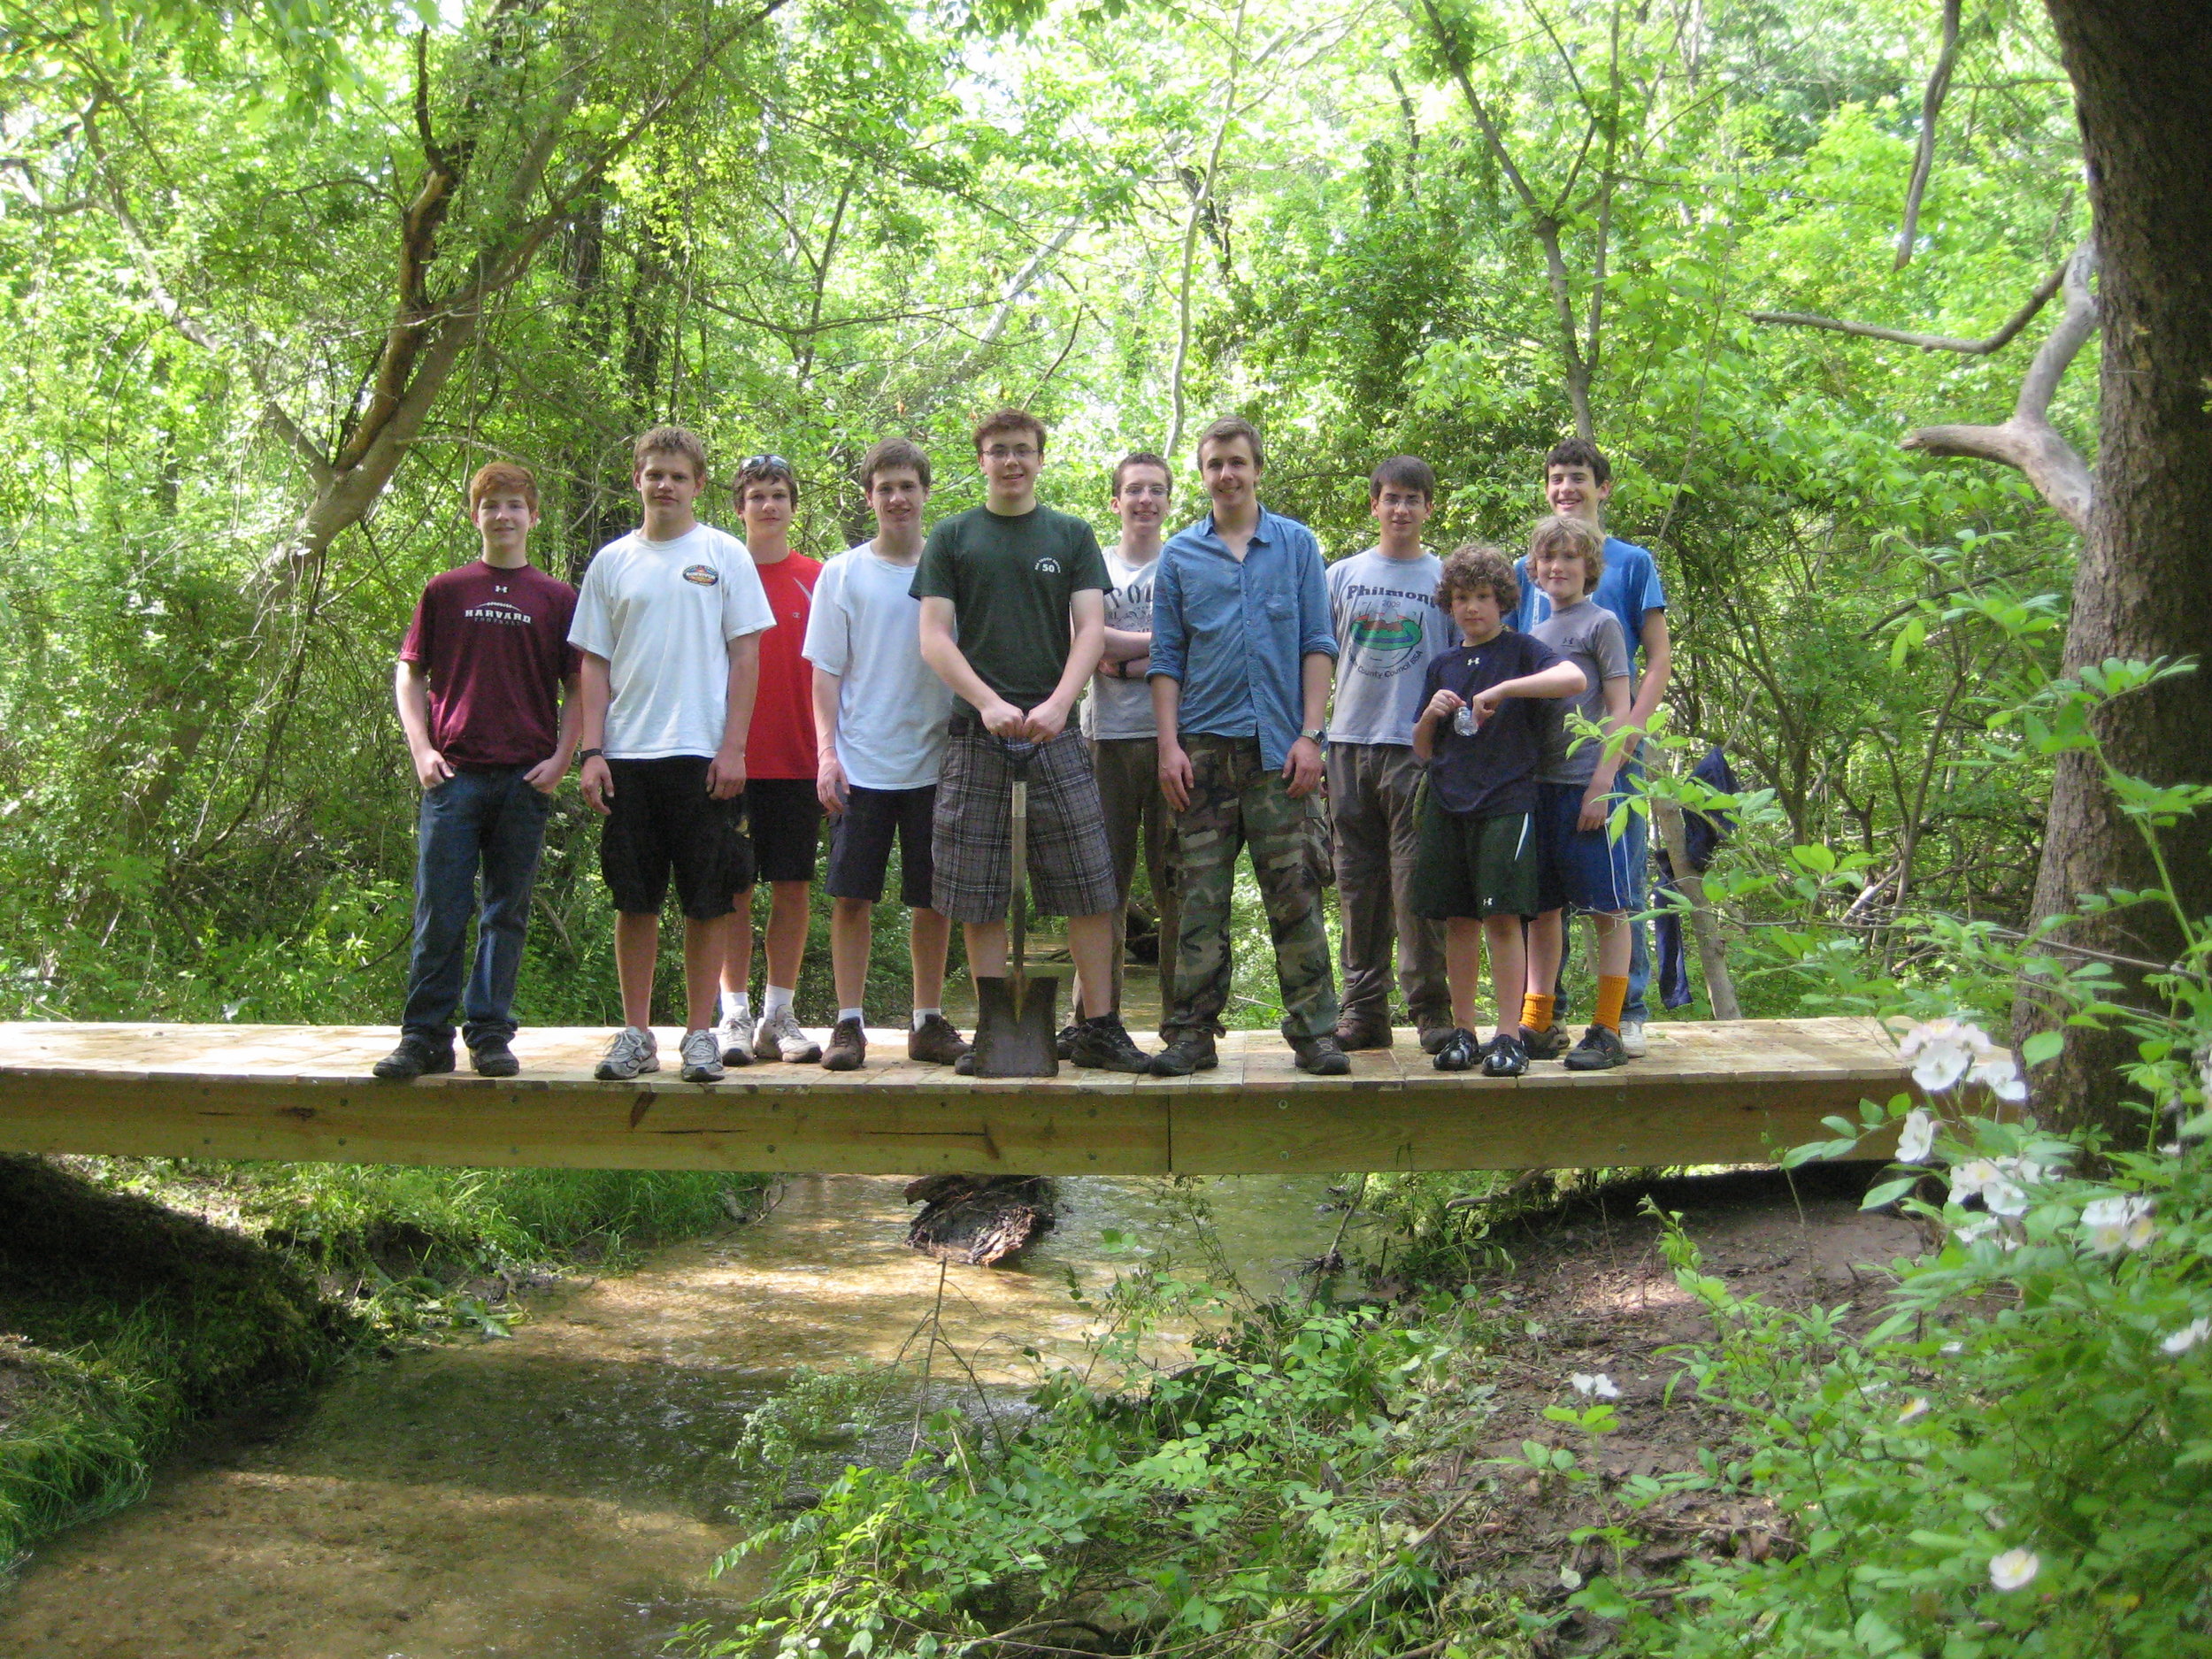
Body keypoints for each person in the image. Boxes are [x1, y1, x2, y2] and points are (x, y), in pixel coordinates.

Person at [913, 408, 1153, 1073]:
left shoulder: (1071, 535)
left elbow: (1092, 630)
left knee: (1088, 879)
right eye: (998, 450)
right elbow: (934, 636)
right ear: (982, 459)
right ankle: (996, 1029)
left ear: (1040, 458)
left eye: (1023, 449)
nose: (1012, 460)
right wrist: (988, 702)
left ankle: (1100, 1024)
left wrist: (1057, 704)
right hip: (975, 735)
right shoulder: (953, 538)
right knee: (976, 887)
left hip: (1057, 735)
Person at [570, 426, 775, 1083]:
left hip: (703, 754)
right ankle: (635, 1034)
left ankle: (697, 1036)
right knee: (635, 899)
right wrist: (591, 751)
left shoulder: (724, 555)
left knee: (709, 899)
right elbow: (593, 665)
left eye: (677, 475)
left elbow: (748, 657)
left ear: (698, 484)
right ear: (637, 479)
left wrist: (733, 747)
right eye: (654, 473)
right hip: (628, 755)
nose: (665, 484)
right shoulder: (611, 562)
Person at [1148, 416, 1348, 1077]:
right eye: (1214, 465)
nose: (1227, 474)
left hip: (1280, 753)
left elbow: (1318, 643)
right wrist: (1168, 745)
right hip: (1200, 751)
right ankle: (1191, 1034)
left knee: (1296, 894)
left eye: (1237, 461)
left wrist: (1311, 736)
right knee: (1198, 899)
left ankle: (1316, 1030)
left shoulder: (1295, 546)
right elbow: (1167, 658)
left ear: (1258, 467)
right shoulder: (1180, 555)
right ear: (1202, 476)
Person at [376, 461, 580, 1082]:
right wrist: (420, 749)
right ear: (475, 515)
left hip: (524, 779)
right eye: (492, 505)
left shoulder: (556, 598)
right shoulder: (447, 590)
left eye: (516, 505)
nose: (504, 515)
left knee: (505, 911)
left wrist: (562, 759)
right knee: (440, 907)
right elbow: (409, 671)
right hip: (453, 777)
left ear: (534, 517)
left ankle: (490, 1033)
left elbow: (579, 686)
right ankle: (424, 1037)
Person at [803, 437, 969, 1071]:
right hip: (860, 763)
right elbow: (824, 675)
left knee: (935, 898)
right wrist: (826, 754)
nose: (897, 498)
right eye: (884, 488)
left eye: (907, 486)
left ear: (926, 492)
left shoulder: (950, 567)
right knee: (851, 897)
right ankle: (848, 1023)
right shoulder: (841, 573)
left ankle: (927, 1021)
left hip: (937, 761)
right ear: (870, 497)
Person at [1508, 437, 1670, 1056]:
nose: (1566, 487)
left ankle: (1620, 1019)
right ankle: (1542, 1018)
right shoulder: (1536, 589)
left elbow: (1650, 664)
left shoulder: (1627, 572)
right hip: (1541, 774)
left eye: (1578, 476)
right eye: (1556, 477)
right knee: (1543, 905)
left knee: (1613, 895)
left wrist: (1616, 758)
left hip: (1602, 761)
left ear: (1603, 486)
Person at [1409, 545, 1586, 1077]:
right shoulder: (1442, 663)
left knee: (1503, 920)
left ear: (1502, 600)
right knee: (1458, 922)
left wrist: (1506, 689)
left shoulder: (1522, 651)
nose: (1472, 608)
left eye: (1483, 597)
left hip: (1508, 802)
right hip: (1447, 802)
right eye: (1462, 598)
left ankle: (1509, 1036)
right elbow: (1421, 748)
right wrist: (1432, 714)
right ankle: (1463, 1031)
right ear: (1449, 603)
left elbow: (1573, 680)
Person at [1324, 455, 1455, 1056]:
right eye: (1391, 497)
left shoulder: (1447, 580)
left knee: (1415, 887)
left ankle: (1431, 1010)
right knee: (1357, 885)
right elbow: (1315, 658)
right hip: (1348, 744)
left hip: (1415, 750)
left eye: (1413, 498)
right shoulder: (1340, 576)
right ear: (1373, 504)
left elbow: (1465, 663)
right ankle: (1363, 1010)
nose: (1401, 508)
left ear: (1430, 507)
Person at [1062, 450, 1180, 1057]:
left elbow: (1198, 636)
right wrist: (1158, 648)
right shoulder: (1096, 564)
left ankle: (1181, 1022)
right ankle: (1088, 1017)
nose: (1145, 500)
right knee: (1099, 885)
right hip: (1102, 739)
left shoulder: (1184, 562)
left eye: (1156, 490)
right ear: (1116, 500)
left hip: (1171, 742)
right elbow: (1085, 635)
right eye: (1134, 489)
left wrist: (1127, 655)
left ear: (1168, 500)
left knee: (1174, 885)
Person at [713, 454, 825, 1066]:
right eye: (756, 495)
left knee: (793, 886)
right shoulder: (716, 574)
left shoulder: (819, 576)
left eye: (778, 493)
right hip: (729, 758)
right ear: (739, 508)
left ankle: (777, 1012)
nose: (767, 505)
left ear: (791, 504)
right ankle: (732, 1011)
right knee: (732, 888)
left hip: (799, 758)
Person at [1522, 515, 1636, 1071]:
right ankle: (1536, 1022)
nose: (1557, 567)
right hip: (1538, 792)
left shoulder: (1602, 623)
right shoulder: (1532, 635)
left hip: (1589, 790)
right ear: (1534, 569)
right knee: (1542, 911)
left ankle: (1609, 1027)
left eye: (1569, 558)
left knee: (1608, 909)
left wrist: (1602, 784)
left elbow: (1622, 711)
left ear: (1588, 567)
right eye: (1548, 558)